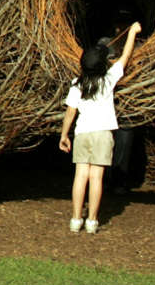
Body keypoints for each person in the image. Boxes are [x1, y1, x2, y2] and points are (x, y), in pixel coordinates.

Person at [58, 21, 140, 234]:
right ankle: (92, 221)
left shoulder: (77, 85)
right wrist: (131, 32)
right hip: (103, 135)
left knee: (80, 176)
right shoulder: (108, 80)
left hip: (82, 134)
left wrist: (64, 135)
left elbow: (70, 113)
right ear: (103, 65)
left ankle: (76, 219)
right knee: (96, 178)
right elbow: (125, 57)